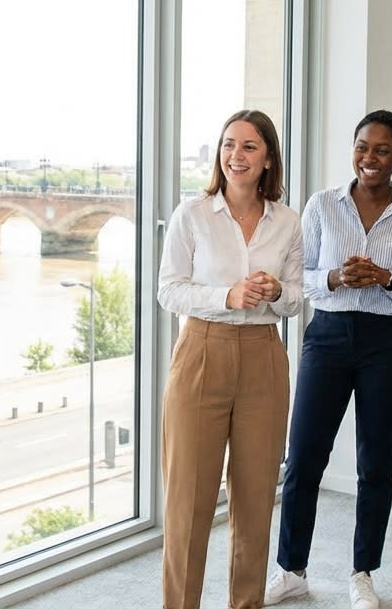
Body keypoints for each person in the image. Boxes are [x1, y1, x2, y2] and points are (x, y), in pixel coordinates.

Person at [264, 110, 392, 609]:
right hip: (329, 338)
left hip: (387, 343)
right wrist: (336, 278)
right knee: (304, 457)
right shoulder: (321, 205)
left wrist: (384, 278)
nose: (370, 158)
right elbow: (304, 278)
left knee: (375, 463)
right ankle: (291, 568)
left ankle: (363, 573)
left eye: (382, 149)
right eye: (362, 146)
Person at [157, 109, 303, 609]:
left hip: (264, 357)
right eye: (228, 145)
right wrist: (227, 295)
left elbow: (296, 298)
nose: (235, 156)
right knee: (188, 503)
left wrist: (276, 289)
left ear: (267, 160)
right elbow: (168, 290)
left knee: (256, 498)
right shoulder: (191, 214)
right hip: (202, 352)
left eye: (248, 147)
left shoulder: (286, 221)